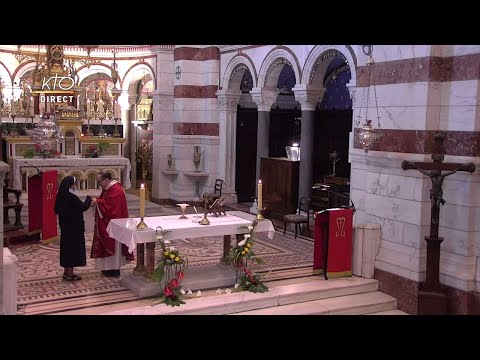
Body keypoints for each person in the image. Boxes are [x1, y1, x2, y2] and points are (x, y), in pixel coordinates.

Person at [91, 171, 134, 277]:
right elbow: (106, 201)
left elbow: (111, 207)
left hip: (115, 224)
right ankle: (107, 268)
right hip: (110, 223)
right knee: (108, 244)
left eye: (99, 181)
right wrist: (98, 201)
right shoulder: (109, 189)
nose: (98, 184)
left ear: (106, 180)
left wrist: (97, 201)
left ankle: (114, 269)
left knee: (114, 246)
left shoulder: (116, 190)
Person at [54, 176, 92, 281]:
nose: (75, 186)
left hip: (65, 228)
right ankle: (70, 274)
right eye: (74, 184)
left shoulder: (60, 196)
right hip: (74, 228)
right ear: (70, 185)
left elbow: (56, 209)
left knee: (66, 249)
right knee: (72, 250)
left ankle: (66, 272)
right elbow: (83, 207)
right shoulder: (71, 197)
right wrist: (89, 199)